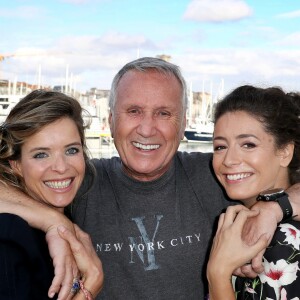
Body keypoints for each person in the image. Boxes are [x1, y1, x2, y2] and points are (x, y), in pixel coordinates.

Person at [0, 58, 299, 299]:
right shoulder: (80, 180)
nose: (146, 128)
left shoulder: (219, 174)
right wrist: (55, 221)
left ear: (182, 125)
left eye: (163, 113)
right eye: (133, 111)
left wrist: (275, 207)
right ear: (111, 121)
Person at [0, 90, 103, 300]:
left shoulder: (72, 221)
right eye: (41, 154)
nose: (61, 167)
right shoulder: (8, 241)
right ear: (16, 165)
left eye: (71, 150)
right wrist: (92, 282)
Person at [207, 85, 300, 299]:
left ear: (285, 152)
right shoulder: (251, 228)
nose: (229, 160)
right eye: (220, 147)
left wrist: (218, 272)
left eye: (248, 144)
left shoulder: (281, 241)